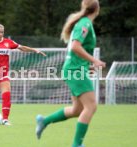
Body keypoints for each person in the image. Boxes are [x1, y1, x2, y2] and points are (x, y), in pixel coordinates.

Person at [35, 0, 106, 146]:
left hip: (75, 69)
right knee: (91, 106)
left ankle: (44, 121)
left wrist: (88, 67)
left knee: (77, 109)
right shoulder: (85, 23)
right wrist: (95, 61)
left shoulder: (83, 23)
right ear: (97, 10)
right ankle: (76, 144)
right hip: (74, 70)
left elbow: (76, 52)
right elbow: (75, 46)